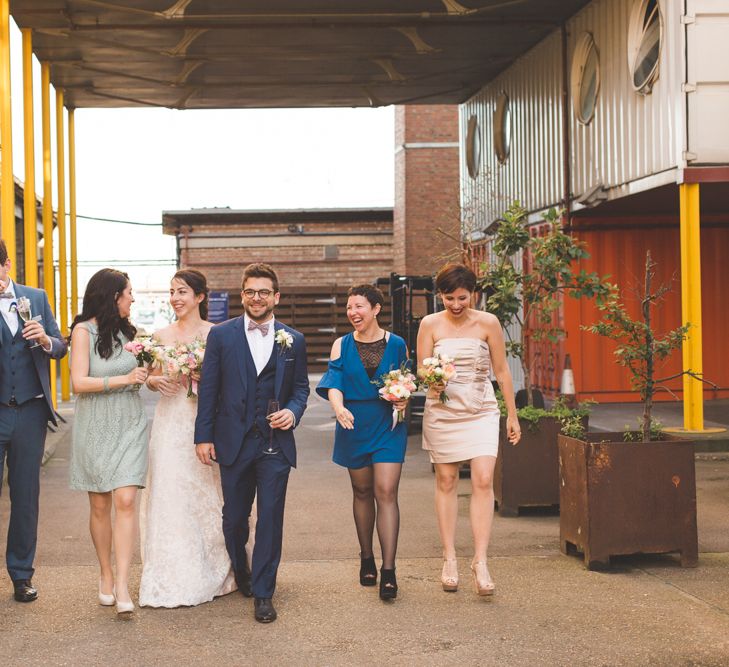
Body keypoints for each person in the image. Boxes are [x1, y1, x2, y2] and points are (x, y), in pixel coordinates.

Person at [194, 263, 309, 624]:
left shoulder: (294, 339)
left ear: (276, 297)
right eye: (249, 291)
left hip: (275, 444)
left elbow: (301, 388)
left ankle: (263, 592)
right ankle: (241, 570)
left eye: (263, 292)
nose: (256, 298)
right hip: (234, 442)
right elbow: (209, 389)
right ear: (242, 295)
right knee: (234, 520)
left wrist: (292, 411)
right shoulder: (222, 335)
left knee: (271, 519)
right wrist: (204, 436)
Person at [417, 263, 520, 596]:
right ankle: (449, 557)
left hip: (481, 409)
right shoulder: (429, 324)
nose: (456, 305)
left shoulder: (488, 322)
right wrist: (433, 376)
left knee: (484, 479)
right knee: (446, 480)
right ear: (440, 296)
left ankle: (480, 560)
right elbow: (420, 369)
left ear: (473, 293)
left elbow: (502, 372)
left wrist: (512, 416)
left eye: (462, 297)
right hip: (443, 410)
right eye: (449, 298)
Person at [139, 269, 236, 607]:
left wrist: (201, 375)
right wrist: (154, 383)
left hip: (204, 422)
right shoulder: (160, 335)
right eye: (172, 292)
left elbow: (230, 380)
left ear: (200, 297)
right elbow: (148, 376)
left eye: (182, 292)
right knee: (169, 491)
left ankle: (216, 567)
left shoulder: (218, 334)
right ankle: (170, 572)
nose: (175, 298)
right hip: (170, 424)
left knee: (207, 493)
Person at [316, 284, 409, 601]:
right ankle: (366, 555)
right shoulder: (340, 345)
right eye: (349, 307)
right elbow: (334, 383)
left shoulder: (396, 344)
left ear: (376, 309)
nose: (353, 313)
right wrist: (338, 407)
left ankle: (389, 570)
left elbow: (404, 382)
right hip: (352, 423)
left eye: (359, 307)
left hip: (387, 425)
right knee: (362, 491)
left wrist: (402, 402)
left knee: (386, 491)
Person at [68, 269, 149, 617]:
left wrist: (153, 378)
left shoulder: (132, 333)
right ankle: (105, 571)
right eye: (129, 293)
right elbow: (79, 383)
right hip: (95, 425)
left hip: (130, 422)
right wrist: (124, 379)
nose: (133, 299)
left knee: (126, 499)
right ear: (113, 295)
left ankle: (122, 583)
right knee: (100, 505)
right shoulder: (83, 331)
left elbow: (143, 374)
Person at [0, 240, 68, 603]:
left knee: (25, 498)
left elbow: (61, 346)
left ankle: (21, 575)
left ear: (7, 265)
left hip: (30, 411)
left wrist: (45, 340)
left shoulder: (35, 297)